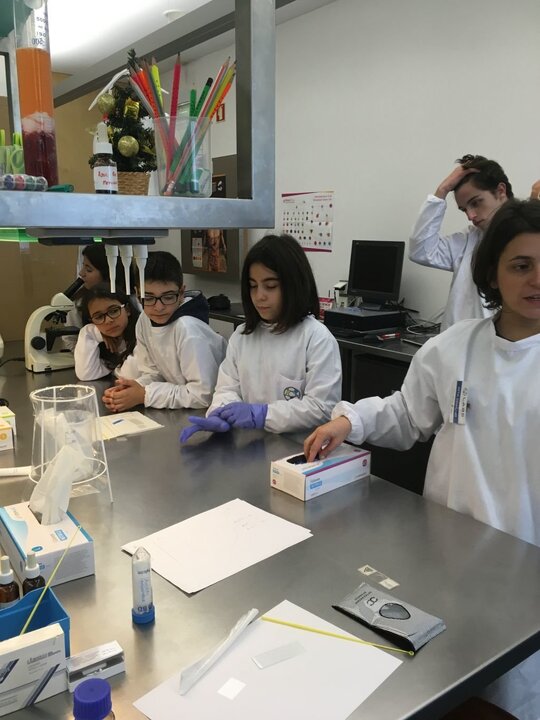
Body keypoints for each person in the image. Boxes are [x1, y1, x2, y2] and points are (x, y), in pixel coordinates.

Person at [305, 198, 540, 719]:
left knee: (514, 694)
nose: (537, 280)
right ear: (493, 273)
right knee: (442, 687)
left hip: (528, 569)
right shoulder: (454, 347)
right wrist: (350, 421)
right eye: (522, 265)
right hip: (448, 556)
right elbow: (408, 414)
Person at [181, 233, 342, 441]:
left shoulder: (317, 338)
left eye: (270, 286)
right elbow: (227, 389)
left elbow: (322, 408)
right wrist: (220, 413)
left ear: (294, 285)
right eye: (253, 285)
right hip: (251, 446)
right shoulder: (242, 335)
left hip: (299, 450)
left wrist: (263, 414)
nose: (259, 296)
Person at [102, 251, 226, 412]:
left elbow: (203, 395)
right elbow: (153, 372)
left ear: (181, 293)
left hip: (210, 411)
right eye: (148, 297)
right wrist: (132, 389)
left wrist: (145, 395)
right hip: (183, 408)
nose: (158, 307)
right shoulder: (144, 319)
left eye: (168, 297)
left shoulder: (188, 329)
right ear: (137, 294)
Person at [409, 154, 513, 330]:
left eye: (476, 203)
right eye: (464, 209)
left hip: (508, 343)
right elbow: (420, 251)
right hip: (458, 343)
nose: (470, 216)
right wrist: (442, 190)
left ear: (501, 191)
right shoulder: (468, 240)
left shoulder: (529, 238)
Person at [74, 284, 139, 381]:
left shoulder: (143, 332)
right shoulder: (105, 344)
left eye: (114, 311)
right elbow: (86, 374)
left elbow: (131, 375)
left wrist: (116, 370)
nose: (108, 320)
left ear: (127, 309)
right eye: (99, 317)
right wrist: (91, 332)